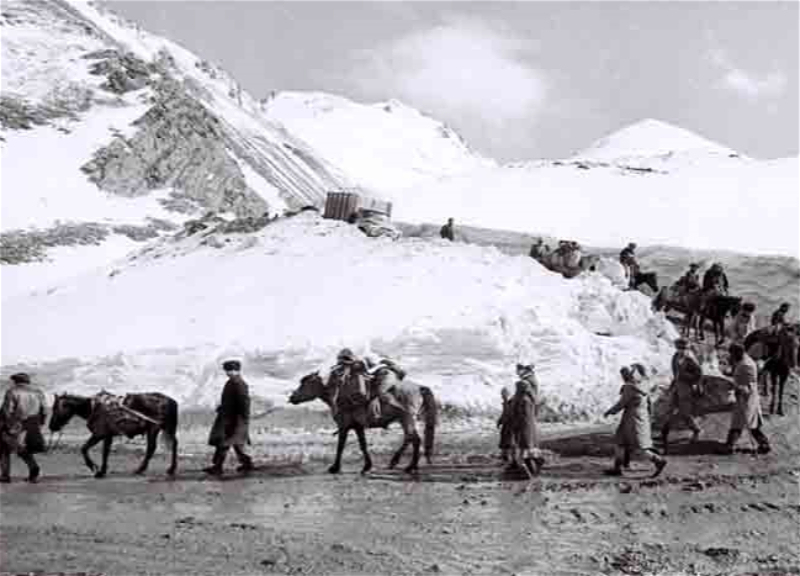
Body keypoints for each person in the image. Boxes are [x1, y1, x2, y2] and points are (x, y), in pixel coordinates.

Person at [603, 364, 667, 478]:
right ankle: (618, 468)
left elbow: (621, 404)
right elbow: (649, 403)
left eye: (624, 374)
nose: (623, 377)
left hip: (631, 419)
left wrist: (609, 412)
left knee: (639, 446)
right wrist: (650, 416)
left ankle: (658, 461)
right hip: (641, 417)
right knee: (620, 441)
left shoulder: (629, 388)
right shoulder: (643, 384)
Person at [205, 360, 254, 476]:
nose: (228, 373)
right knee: (236, 444)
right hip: (229, 418)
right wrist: (222, 407)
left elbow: (244, 402)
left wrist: (244, 419)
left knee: (224, 443)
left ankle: (217, 467)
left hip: (235, 420)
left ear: (235, 370)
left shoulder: (238, 383)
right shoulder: (232, 382)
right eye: (227, 371)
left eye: (230, 371)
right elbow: (230, 401)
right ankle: (246, 463)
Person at [723, 343, 771, 454]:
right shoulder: (742, 361)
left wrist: (735, 386)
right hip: (744, 397)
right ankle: (764, 444)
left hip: (747, 398)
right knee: (752, 424)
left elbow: (749, 385)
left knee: (738, 423)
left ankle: (729, 446)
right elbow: (738, 376)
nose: (731, 356)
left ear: (738, 352)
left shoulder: (747, 364)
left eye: (732, 354)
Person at [0, 373, 47, 483]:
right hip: (33, 424)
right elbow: (44, 410)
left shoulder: (12, 392)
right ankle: (32, 471)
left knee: (6, 448)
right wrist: (40, 423)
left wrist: (6, 426)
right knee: (21, 447)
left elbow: (7, 411)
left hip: (16, 424)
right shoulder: (38, 392)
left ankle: (7, 475)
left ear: (16, 381)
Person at [659, 338, 703, 453]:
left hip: (686, 388)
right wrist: (672, 385)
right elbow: (675, 372)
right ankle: (664, 434)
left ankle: (696, 430)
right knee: (668, 409)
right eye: (679, 348)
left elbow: (698, 374)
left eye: (683, 348)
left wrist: (686, 376)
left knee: (685, 413)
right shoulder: (675, 357)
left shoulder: (690, 358)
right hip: (677, 387)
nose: (681, 350)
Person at [510, 364, 544, 477]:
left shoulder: (525, 385)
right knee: (529, 445)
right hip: (530, 420)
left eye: (518, 370)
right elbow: (536, 401)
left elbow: (517, 409)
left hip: (525, 421)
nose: (517, 372)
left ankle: (526, 470)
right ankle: (534, 468)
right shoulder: (530, 385)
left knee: (524, 445)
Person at [364, 355, 406, 421]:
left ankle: (398, 407)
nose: (368, 363)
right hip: (393, 379)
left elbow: (369, 372)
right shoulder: (386, 366)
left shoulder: (379, 365)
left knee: (379, 392)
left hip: (388, 378)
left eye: (368, 362)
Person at [497, 387, 515, 463]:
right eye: (502, 394)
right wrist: (499, 421)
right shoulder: (506, 402)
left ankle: (510, 459)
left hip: (511, 425)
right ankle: (504, 457)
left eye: (503, 394)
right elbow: (504, 413)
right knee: (504, 441)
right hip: (506, 424)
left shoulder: (513, 402)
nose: (502, 396)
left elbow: (511, 414)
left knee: (510, 442)